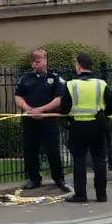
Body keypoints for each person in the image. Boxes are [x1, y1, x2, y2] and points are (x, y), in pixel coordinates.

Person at [61, 52, 112, 203]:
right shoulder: (101, 84)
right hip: (98, 126)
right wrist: (102, 115)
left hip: (78, 127)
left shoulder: (71, 84)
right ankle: (101, 194)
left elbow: (64, 108)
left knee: (79, 160)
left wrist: (71, 118)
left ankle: (80, 194)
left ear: (79, 66)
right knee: (100, 159)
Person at [13, 48, 70, 193]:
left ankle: (59, 179)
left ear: (45, 61)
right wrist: (29, 109)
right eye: (33, 61)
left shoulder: (55, 78)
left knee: (53, 150)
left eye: (38, 60)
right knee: (30, 150)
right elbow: (18, 97)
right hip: (30, 120)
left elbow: (59, 99)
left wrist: (42, 110)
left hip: (49, 120)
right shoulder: (25, 79)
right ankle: (34, 179)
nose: (35, 64)